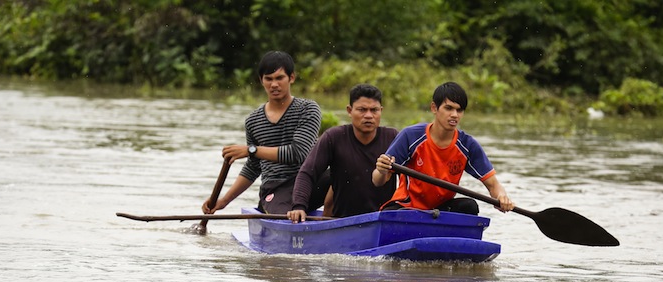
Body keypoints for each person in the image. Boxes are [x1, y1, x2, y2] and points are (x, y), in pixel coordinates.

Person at [202, 51, 322, 215]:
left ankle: (337, 217)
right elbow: (253, 167)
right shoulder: (253, 120)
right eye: (269, 79)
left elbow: (298, 153)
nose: (274, 84)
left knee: (342, 173)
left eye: (279, 78)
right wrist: (223, 201)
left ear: (291, 78)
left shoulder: (308, 109)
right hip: (276, 187)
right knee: (282, 217)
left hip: (307, 181)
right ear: (261, 81)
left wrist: (251, 150)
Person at [372, 81, 515, 215]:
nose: (454, 115)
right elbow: (377, 181)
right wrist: (381, 170)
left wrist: (501, 197)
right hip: (407, 206)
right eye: (448, 108)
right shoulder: (411, 136)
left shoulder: (467, 145)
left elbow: (493, 185)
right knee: (392, 214)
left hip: (441, 209)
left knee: (469, 206)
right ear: (434, 108)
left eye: (459, 110)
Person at [287, 84, 398, 223]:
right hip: (343, 222)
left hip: (381, 221)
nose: (369, 116)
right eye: (362, 110)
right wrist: (299, 206)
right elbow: (307, 173)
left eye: (374, 110)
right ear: (349, 111)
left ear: (381, 111)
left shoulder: (393, 137)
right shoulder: (333, 137)